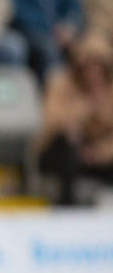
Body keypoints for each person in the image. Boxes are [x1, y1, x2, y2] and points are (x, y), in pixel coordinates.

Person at [37, 29, 113, 203]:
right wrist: (86, 106)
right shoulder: (60, 83)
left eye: (98, 68)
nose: (93, 74)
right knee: (69, 139)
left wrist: (99, 153)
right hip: (60, 153)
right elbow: (51, 122)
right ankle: (67, 203)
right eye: (89, 67)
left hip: (98, 154)